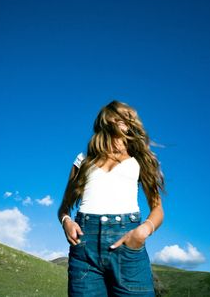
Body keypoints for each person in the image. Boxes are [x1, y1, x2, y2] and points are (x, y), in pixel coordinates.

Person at [58, 100, 166, 297]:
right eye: (116, 117)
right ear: (104, 122)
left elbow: (157, 209)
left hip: (127, 245)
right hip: (84, 251)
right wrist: (66, 221)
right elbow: (63, 207)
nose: (121, 121)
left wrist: (142, 232)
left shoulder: (140, 160)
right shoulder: (83, 160)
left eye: (127, 117)